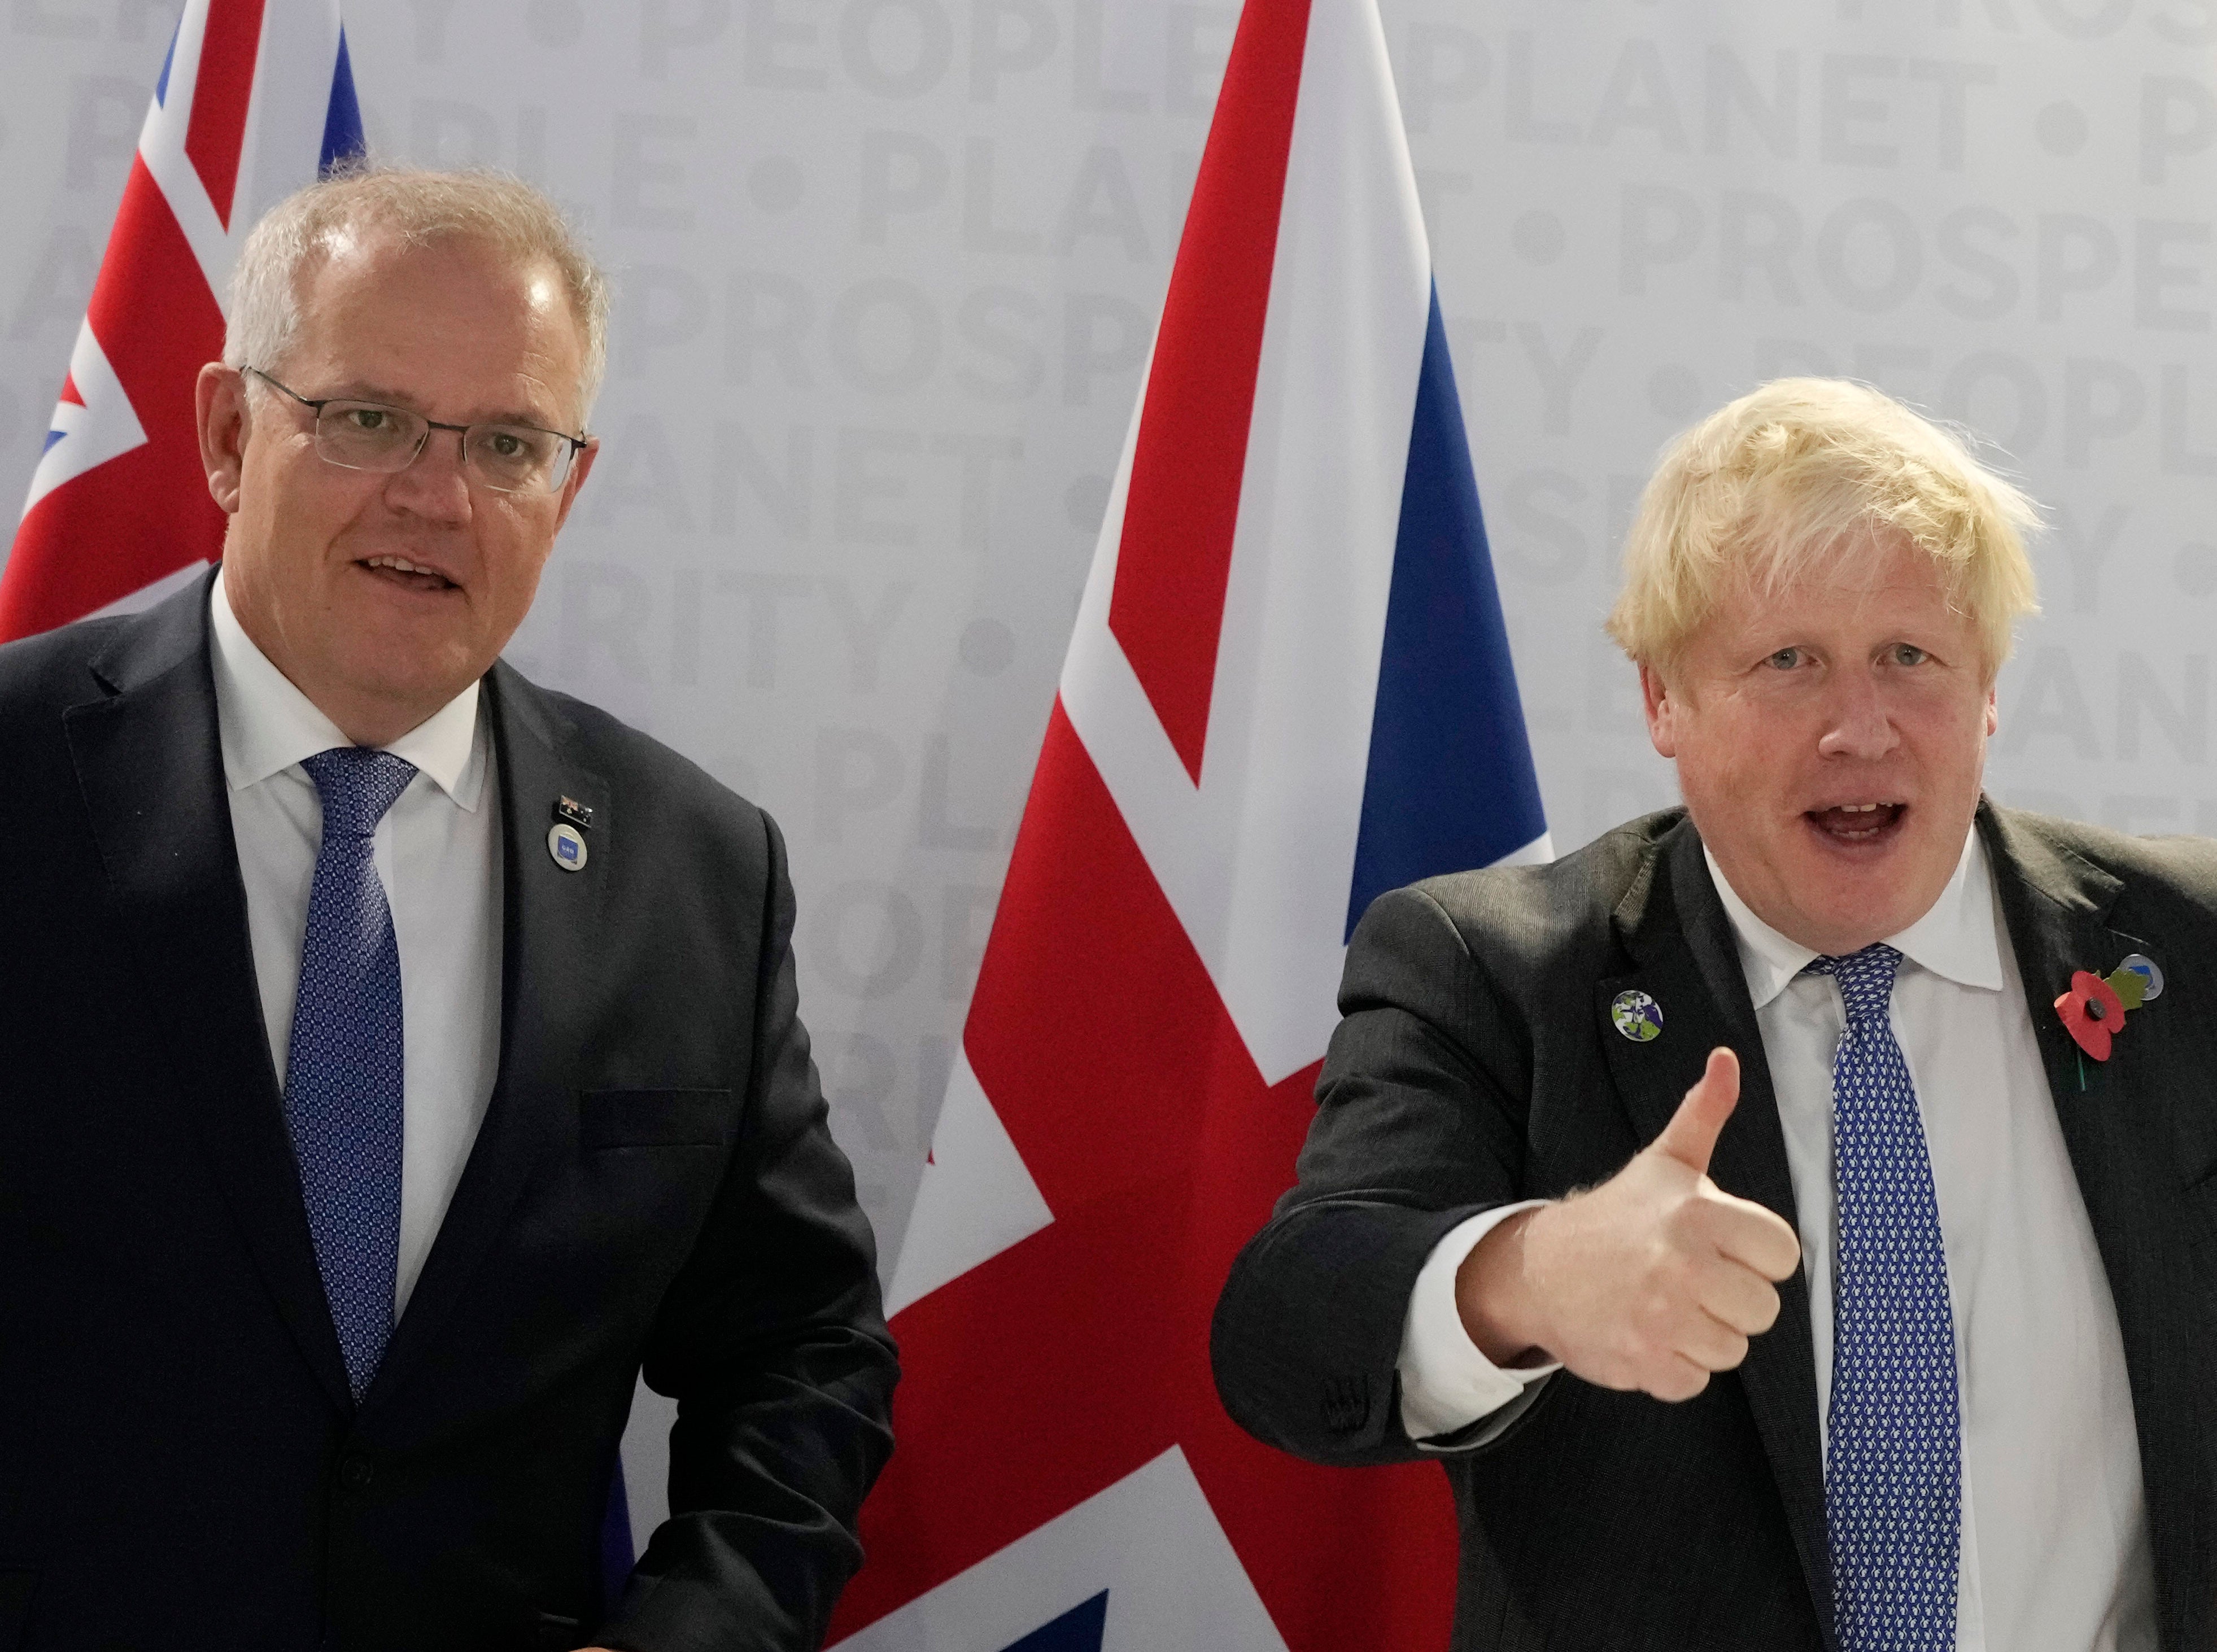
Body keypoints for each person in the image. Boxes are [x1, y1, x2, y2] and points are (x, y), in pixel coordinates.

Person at [0, 167, 897, 1652]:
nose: (435, 492)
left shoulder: (693, 866)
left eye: (506, 442)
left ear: (568, 484)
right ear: (229, 432)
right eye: (365, 418)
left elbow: (801, 1342)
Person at [1212, 379, 2215, 1651]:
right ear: (1661, 701)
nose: (1860, 727)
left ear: (1988, 688)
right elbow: (1284, 1334)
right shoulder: (1502, 970)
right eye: (1787, 661)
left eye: (1911, 655)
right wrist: (1529, 1275)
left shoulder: (2185, 950)